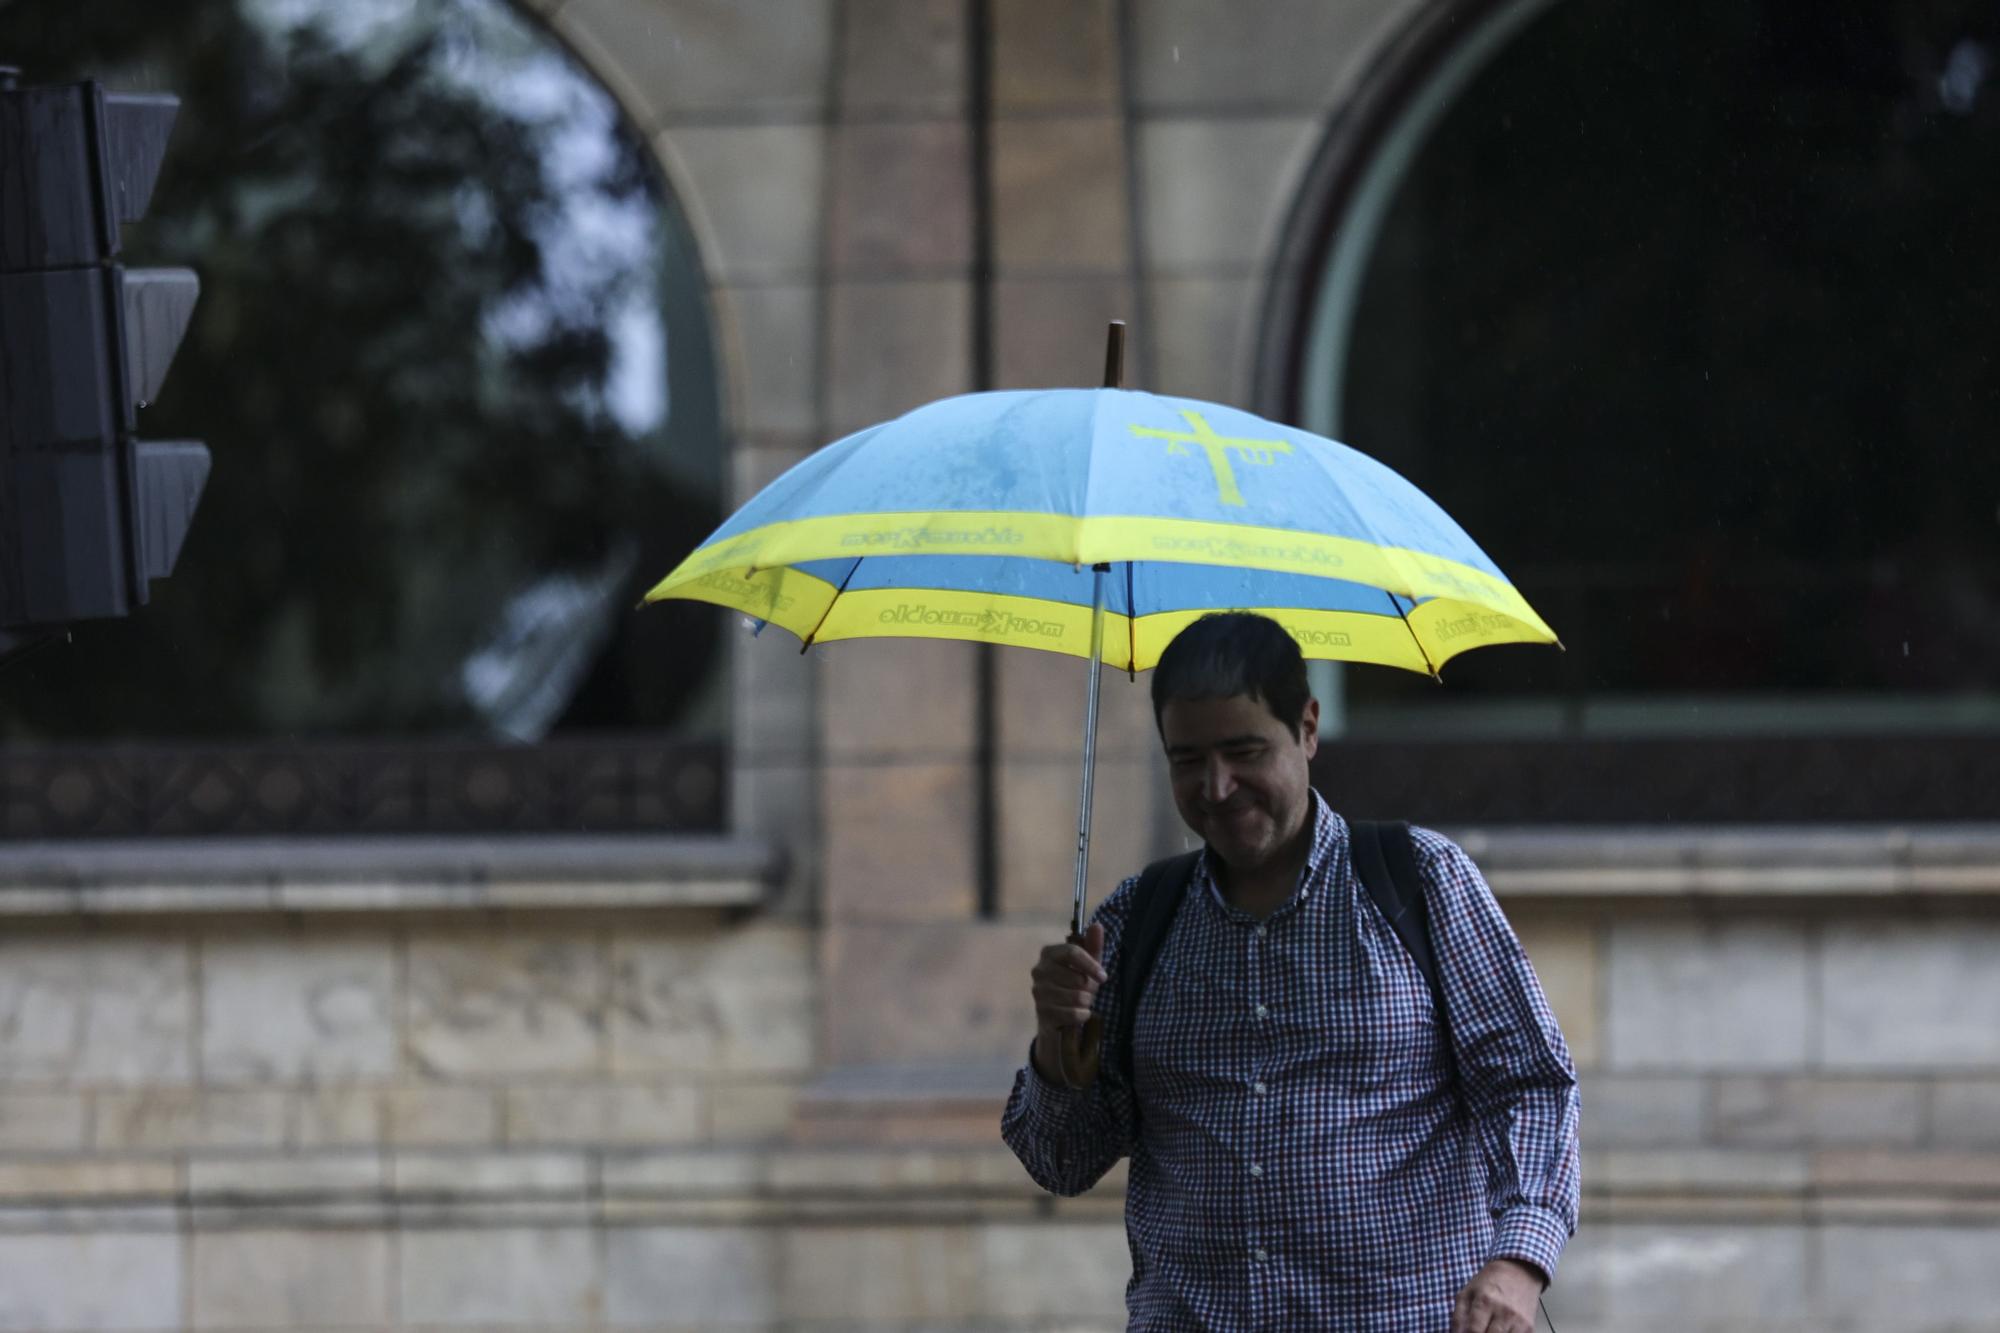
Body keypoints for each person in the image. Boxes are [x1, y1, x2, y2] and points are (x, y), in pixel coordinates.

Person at [1001, 612, 1580, 1332]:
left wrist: (1518, 1262)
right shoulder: (1136, 920)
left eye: (1244, 751)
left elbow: (1531, 1084)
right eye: (1187, 760)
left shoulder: (1419, 881)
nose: (1217, 787)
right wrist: (1059, 1046)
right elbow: (1062, 1162)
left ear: (1307, 727)